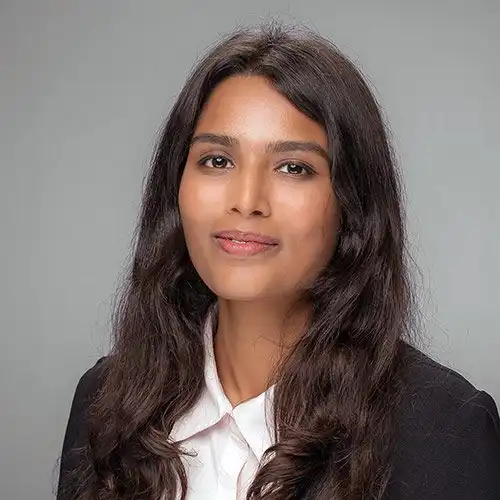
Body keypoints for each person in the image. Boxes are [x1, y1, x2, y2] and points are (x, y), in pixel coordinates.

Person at [56, 22, 500, 500]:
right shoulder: (105, 401)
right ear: (176, 187)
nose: (247, 200)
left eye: (294, 168)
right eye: (217, 160)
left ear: (352, 207)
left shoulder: (444, 429)